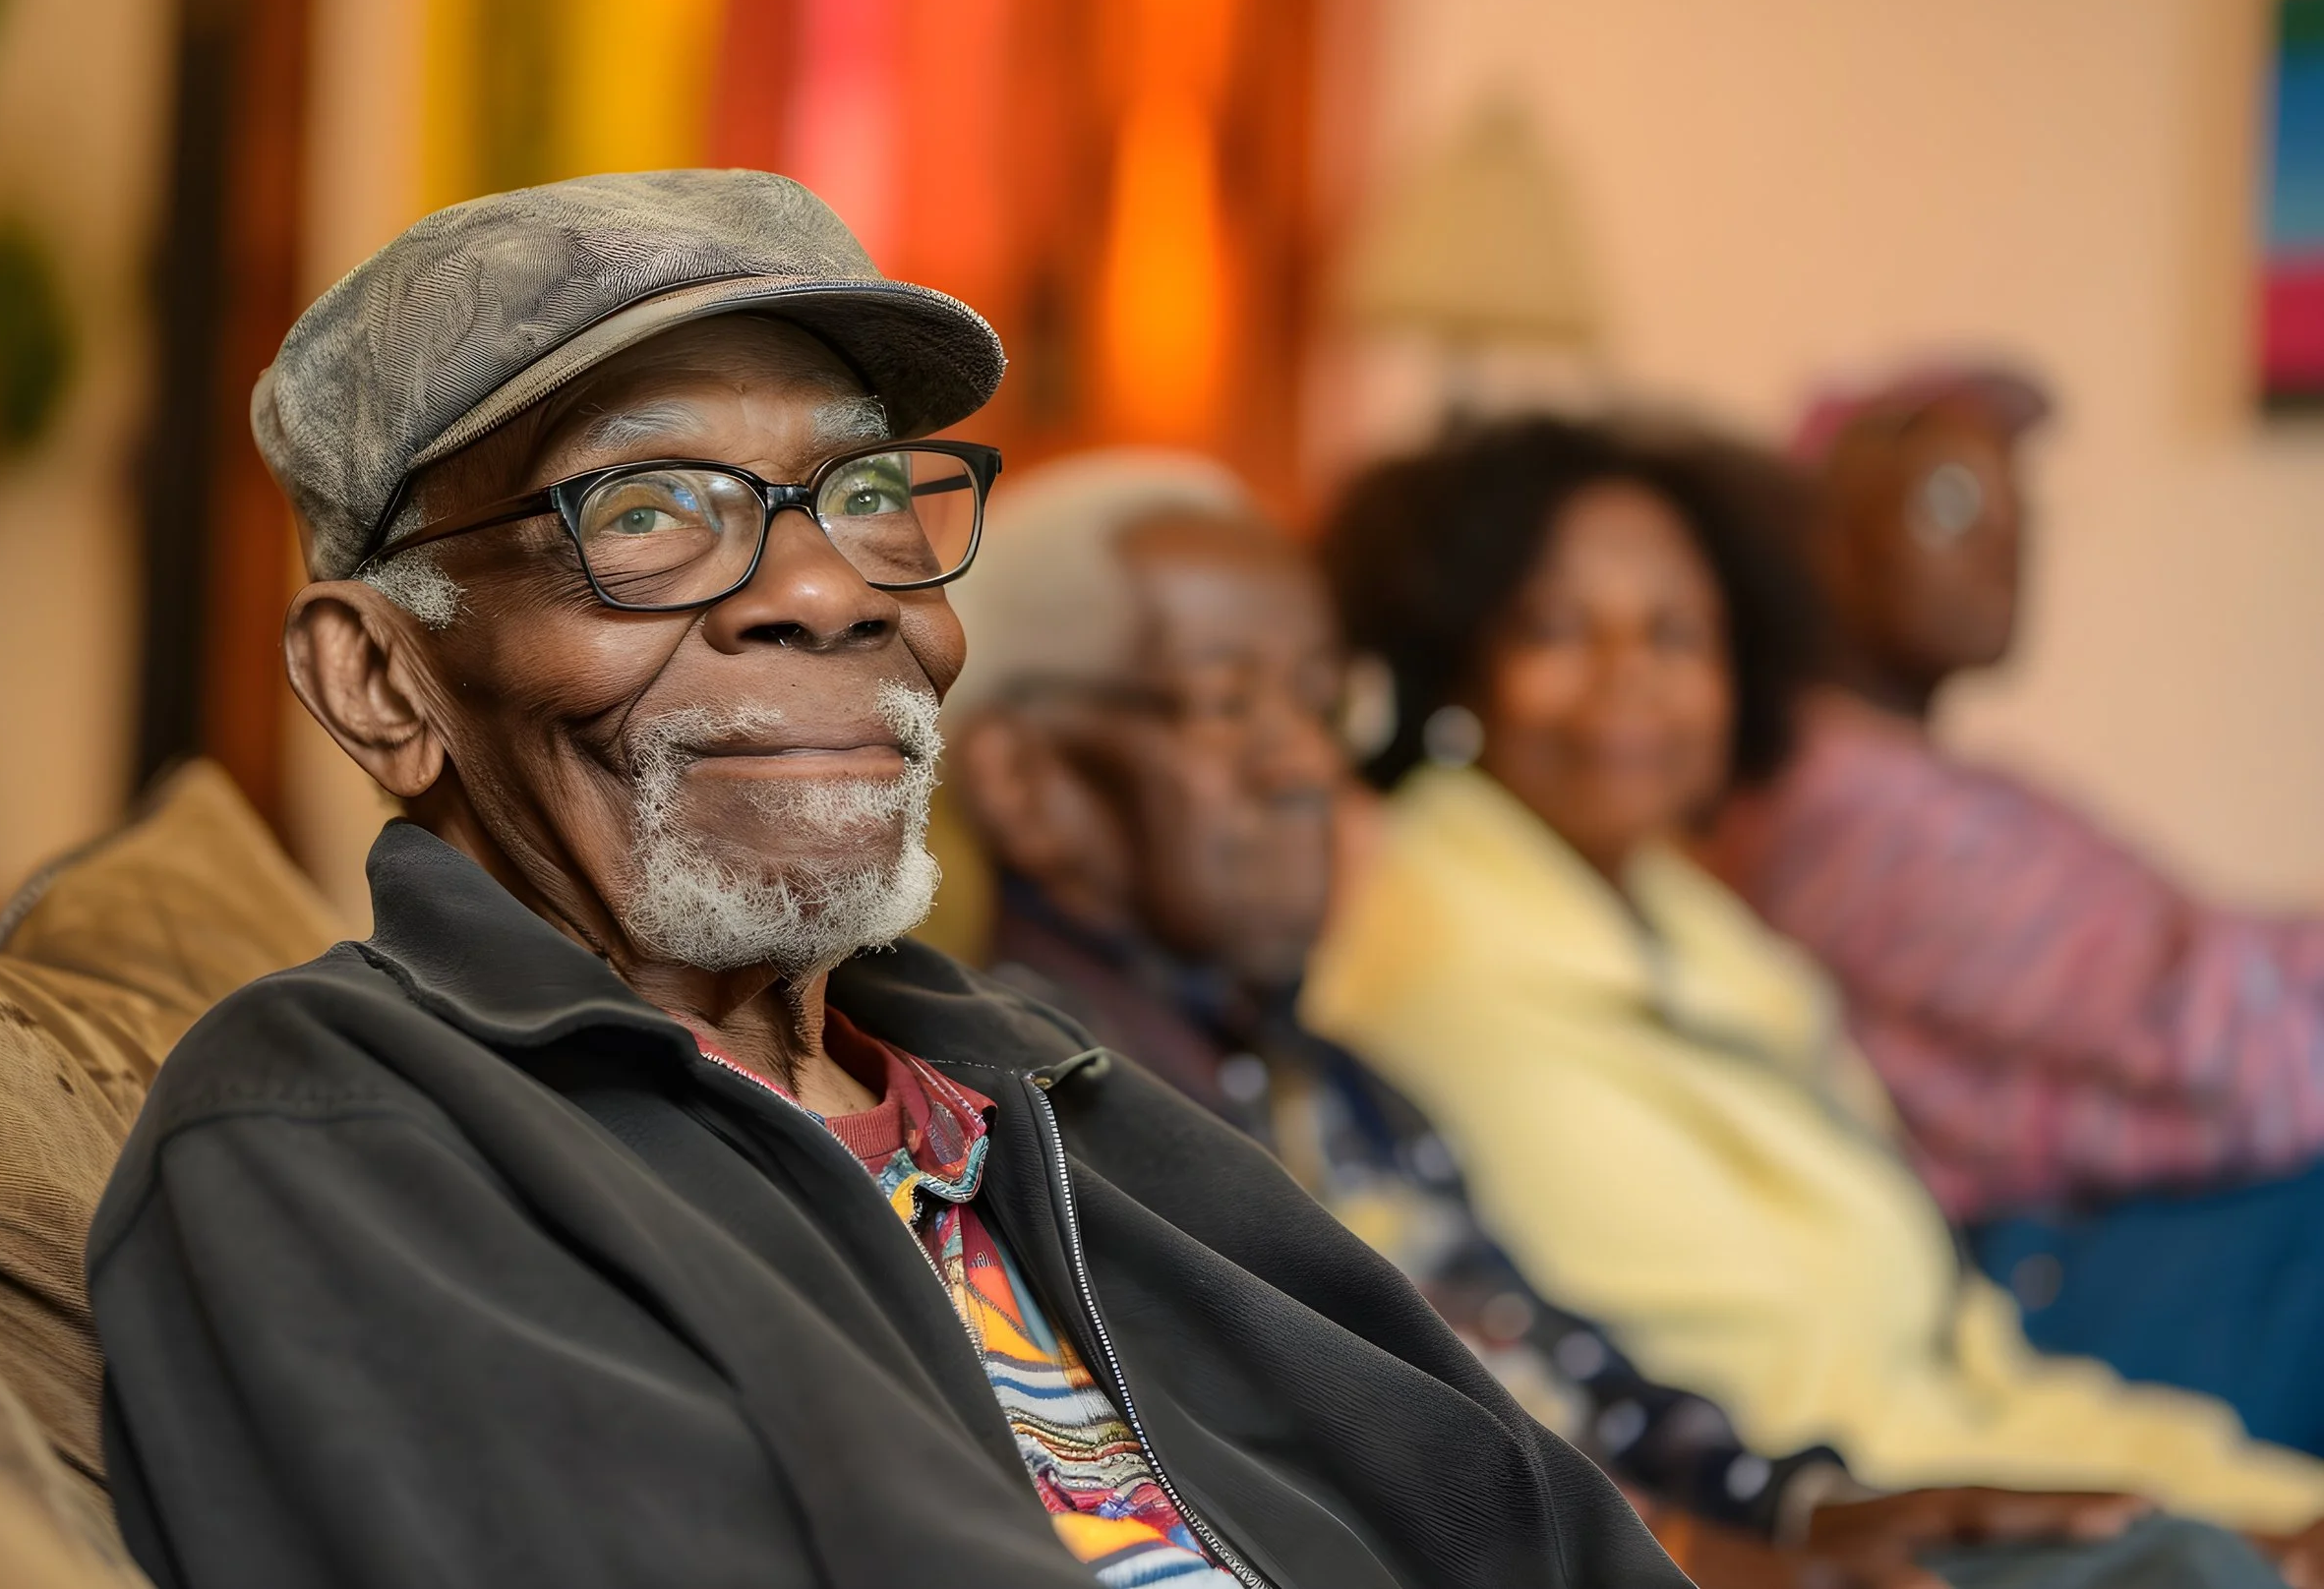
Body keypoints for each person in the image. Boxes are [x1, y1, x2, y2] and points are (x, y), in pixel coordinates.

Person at [81, 172, 1693, 1589]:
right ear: (379, 680)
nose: (828, 591)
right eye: (645, 511)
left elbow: (1552, 1534)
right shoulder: (335, 1139)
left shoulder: (1049, 1088)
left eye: (866, 496)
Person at [939, 447, 2265, 1589]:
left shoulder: (1311, 1070)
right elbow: (1312, 1487)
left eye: (1318, 697)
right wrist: (1702, 1545)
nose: (1305, 761)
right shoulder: (1039, 1123)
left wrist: (1803, 1507)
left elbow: (1554, 1364)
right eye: (1233, 702)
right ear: (1026, 779)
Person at [1300, 413, 2324, 1563]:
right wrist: (2223, 1520)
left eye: (1676, 632)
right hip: (1833, 1523)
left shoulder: (1698, 930)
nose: (1627, 674)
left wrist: (2234, 1489)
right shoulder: (1442, 957)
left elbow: (1950, 1349)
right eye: (1554, 627)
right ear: (1451, 658)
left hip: (1977, 1444)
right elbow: (1765, 1392)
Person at [1702, 364, 2324, 1451]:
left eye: (2019, 508)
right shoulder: (1850, 816)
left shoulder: (1944, 785)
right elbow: (2230, 1041)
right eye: (1949, 503)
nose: (2006, 542)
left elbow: (2226, 982)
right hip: (2033, 1277)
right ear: (1821, 543)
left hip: (2123, 1234)